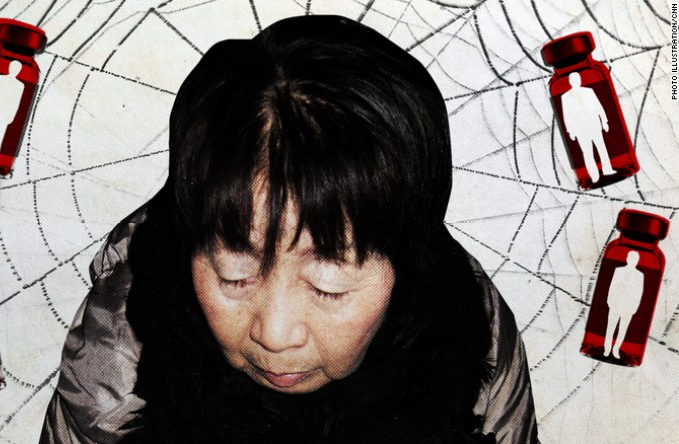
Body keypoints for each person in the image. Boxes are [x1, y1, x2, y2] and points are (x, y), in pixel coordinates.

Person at [40, 15, 538, 443]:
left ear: (406, 265)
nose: (275, 335)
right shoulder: (119, 356)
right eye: (234, 277)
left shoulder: (472, 333)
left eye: (329, 287)